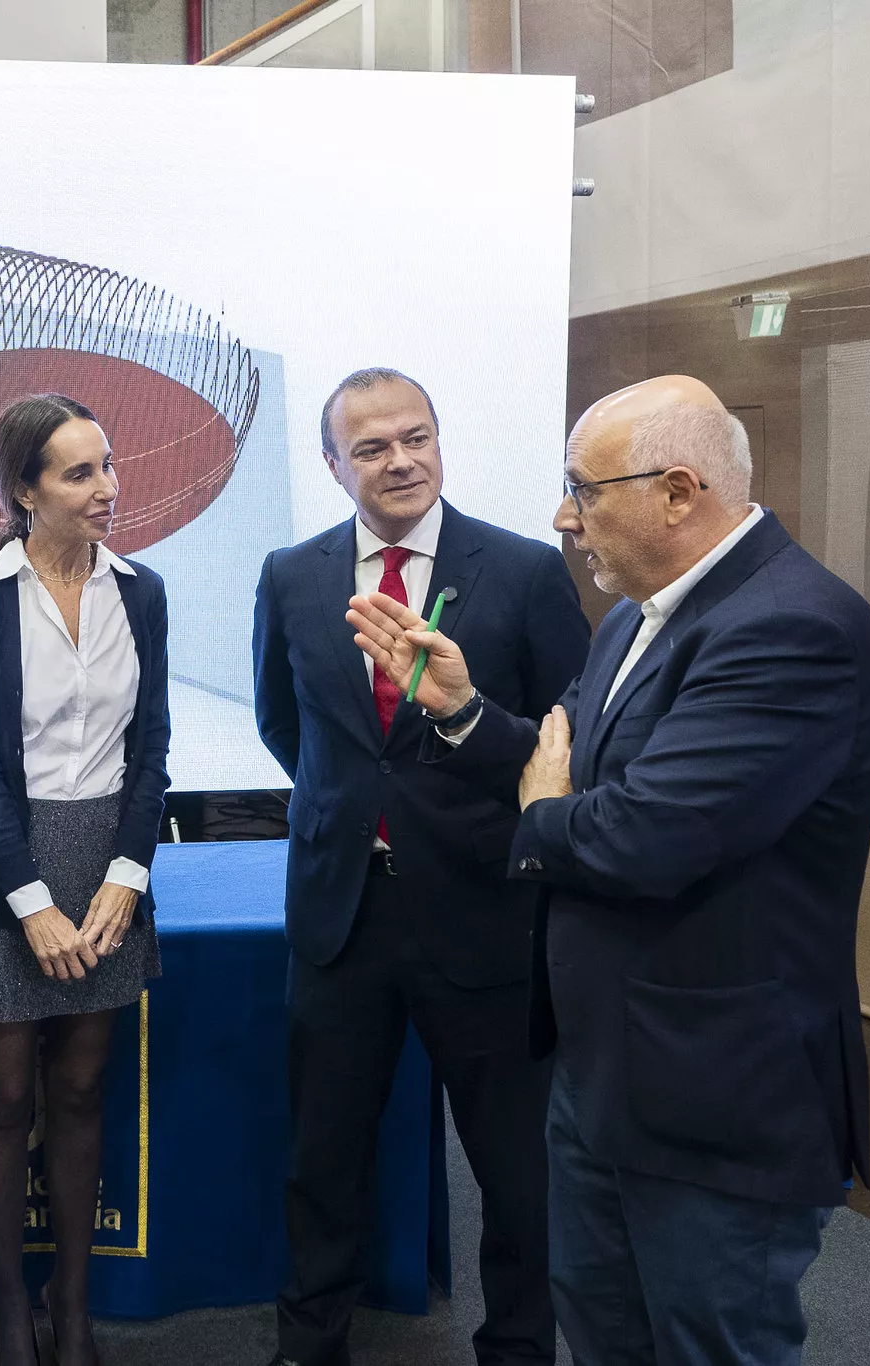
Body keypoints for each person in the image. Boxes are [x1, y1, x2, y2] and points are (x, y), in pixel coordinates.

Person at [350, 375, 870, 1366]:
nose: (564, 516)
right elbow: (559, 763)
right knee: (606, 1338)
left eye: (582, 489)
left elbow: (641, 837)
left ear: (678, 491)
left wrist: (549, 811)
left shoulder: (790, 627)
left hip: (712, 1106)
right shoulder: (635, 618)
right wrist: (464, 709)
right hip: (605, 1082)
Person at [254, 368, 588, 1366]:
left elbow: (567, 741)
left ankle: (517, 1352)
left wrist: (455, 733)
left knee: (515, 1175)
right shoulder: (293, 573)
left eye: (414, 437)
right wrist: (364, 811)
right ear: (330, 464)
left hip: (486, 913)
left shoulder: (523, 570)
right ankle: (306, 1350)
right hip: (340, 916)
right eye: (369, 446)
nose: (398, 459)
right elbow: (287, 724)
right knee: (322, 1163)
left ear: (438, 442)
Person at [0, 394, 171, 1366]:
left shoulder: (140, 591)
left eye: (108, 465)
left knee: (79, 1091)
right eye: (79, 472)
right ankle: (9, 1313)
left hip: (108, 864)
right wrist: (32, 904)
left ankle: (71, 1312)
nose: (107, 487)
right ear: (23, 490)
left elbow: (149, 754)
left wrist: (125, 875)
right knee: (1, 1098)